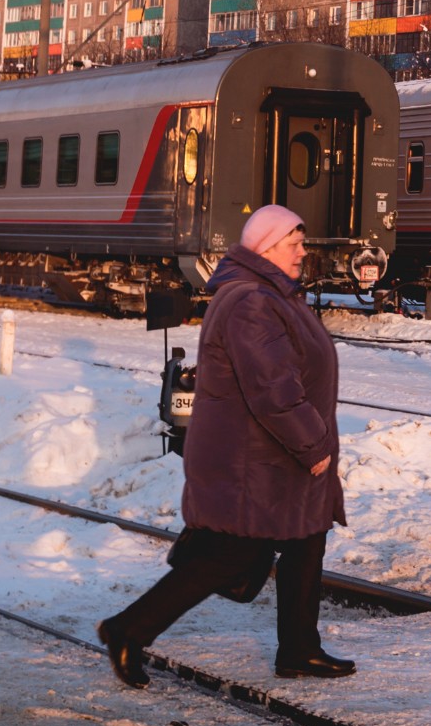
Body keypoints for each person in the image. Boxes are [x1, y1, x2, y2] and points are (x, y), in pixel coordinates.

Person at [96, 204, 353, 686]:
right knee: (225, 557)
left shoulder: (273, 294)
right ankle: (127, 630)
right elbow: (273, 389)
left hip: (273, 454)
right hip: (252, 460)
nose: (303, 250)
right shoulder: (251, 302)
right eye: (293, 242)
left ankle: (300, 648)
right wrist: (314, 444)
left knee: (306, 539)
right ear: (266, 248)